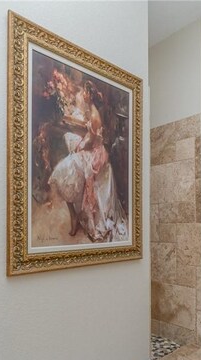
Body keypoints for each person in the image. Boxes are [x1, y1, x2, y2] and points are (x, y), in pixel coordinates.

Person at [49, 80, 128, 242]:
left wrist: (78, 146)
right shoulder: (91, 111)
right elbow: (89, 130)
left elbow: (89, 143)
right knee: (68, 156)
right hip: (93, 149)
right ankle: (74, 213)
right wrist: (78, 125)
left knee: (66, 168)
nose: (82, 95)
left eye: (85, 92)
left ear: (89, 95)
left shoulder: (94, 115)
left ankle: (76, 214)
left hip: (95, 155)